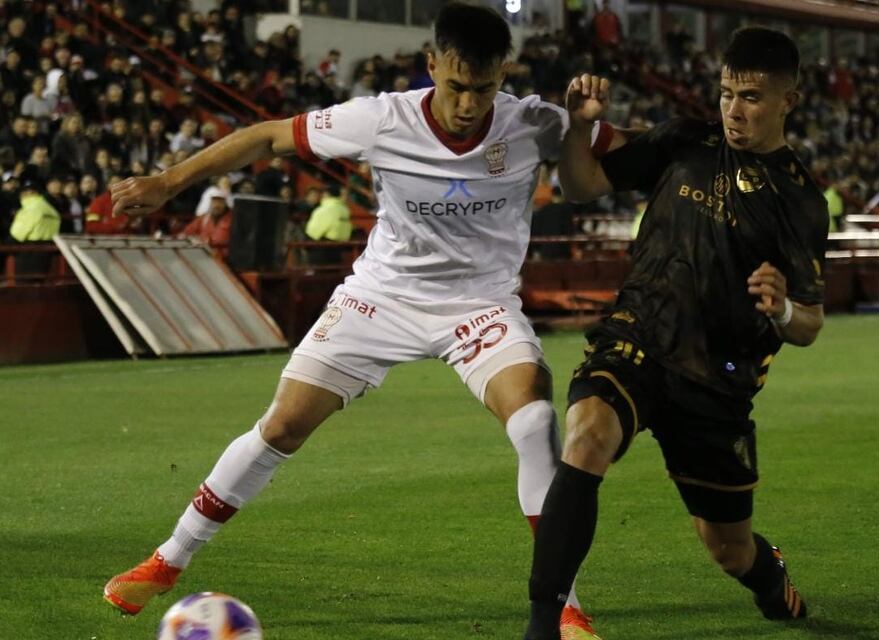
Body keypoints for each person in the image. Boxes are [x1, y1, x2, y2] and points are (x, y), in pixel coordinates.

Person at [103, 4, 602, 638]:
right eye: (455, 87)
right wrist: (171, 180)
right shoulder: (381, 118)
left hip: (479, 305)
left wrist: (582, 128)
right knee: (282, 425)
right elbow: (268, 134)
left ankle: (565, 603)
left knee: (533, 419)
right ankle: (168, 560)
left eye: (484, 88)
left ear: (505, 73)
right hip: (382, 297)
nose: (470, 104)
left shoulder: (535, 122)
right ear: (431, 67)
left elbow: (585, 188)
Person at [524, 27, 828, 640]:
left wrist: (781, 310)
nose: (733, 110)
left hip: (717, 381)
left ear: (787, 102)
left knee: (727, 550)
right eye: (725, 94)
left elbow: (810, 322)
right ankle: (545, 626)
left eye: (750, 98)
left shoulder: (799, 199)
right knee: (584, 440)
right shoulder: (685, 139)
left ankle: (767, 576)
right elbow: (583, 187)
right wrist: (581, 127)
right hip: (636, 337)